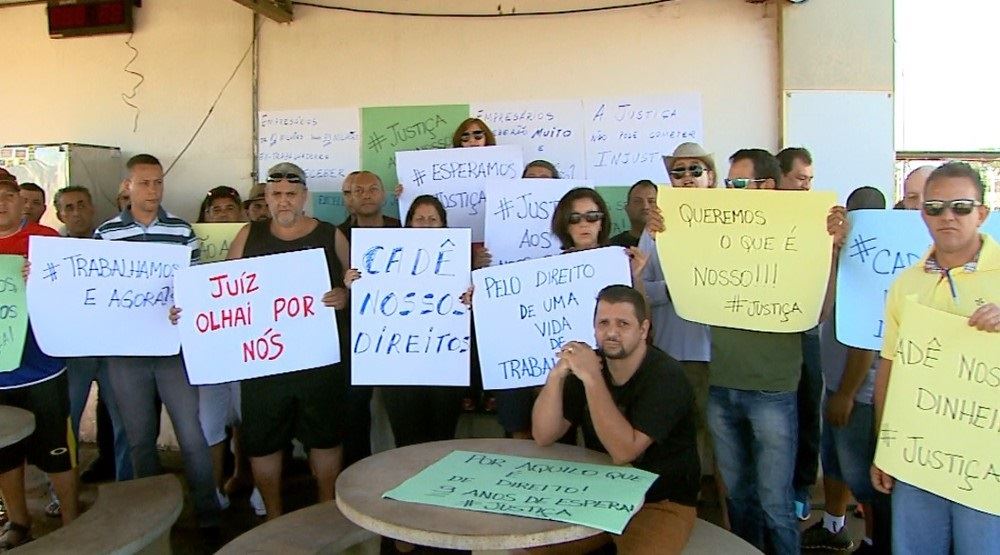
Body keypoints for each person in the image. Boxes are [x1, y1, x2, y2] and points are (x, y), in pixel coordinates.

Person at [708, 148, 846, 554]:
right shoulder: (715, 232)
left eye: (737, 182)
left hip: (772, 389)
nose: (728, 191)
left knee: (775, 504)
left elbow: (818, 311)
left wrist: (832, 253)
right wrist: (668, 231)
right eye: (727, 183)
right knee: (738, 499)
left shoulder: (801, 234)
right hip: (722, 385)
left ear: (766, 186)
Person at [198, 162, 350, 519]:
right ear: (266, 197)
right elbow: (222, 293)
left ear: (304, 197)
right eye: (277, 194)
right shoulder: (247, 236)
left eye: (291, 195)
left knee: (325, 439)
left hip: (319, 361)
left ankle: (326, 511)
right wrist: (190, 310)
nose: (284, 202)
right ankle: (273, 517)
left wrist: (344, 295)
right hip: (265, 364)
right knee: (264, 442)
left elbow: (354, 283)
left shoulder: (330, 235)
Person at [871, 162, 1000, 554]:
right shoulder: (905, 284)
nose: (948, 217)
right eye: (935, 207)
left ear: (983, 212)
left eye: (961, 207)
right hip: (918, 456)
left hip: (986, 464)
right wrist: (885, 448)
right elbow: (890, 368)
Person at [95, 154, 221, 533]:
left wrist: (184, 307)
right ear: (127, 187)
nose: (152, 190)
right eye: (144, 183)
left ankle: (209, 515)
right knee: (139, 440)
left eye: (158, 182)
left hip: (174, 351)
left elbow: (197, 287)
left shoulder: (182, 231)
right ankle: (152, 520)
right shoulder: (105, 234)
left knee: (192, 436)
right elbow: (96, 292)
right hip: (127, 354)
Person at [531, 285, 700, 554]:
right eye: (603, 323)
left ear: (643, 330)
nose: (611, 333)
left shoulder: (667, 377)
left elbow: (624, 451)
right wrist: (556, 377)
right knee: (532, 548)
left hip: (660, 501)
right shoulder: (590, 366)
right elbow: (543, 434)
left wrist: (592, 378)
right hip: (599, 492)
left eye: (623, 324)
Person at [802, 186, 891, 554]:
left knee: (865, 478)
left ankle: (875, 542)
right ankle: (835, 527)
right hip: (835, 382)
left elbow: (867, 340)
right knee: (836, 463)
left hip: (858, 393)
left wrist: (847, 394)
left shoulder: (877, 263)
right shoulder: (844, 258)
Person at [344, 195, 465, 447]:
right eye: (420, 219)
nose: (426, 224)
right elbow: (370, 301)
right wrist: (353, 284)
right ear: (408, 223)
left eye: (433, 219)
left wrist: (471, 297)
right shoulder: (386, 257)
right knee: (407, 440)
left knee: (442, 439)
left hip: (444, 362)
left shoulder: (461, 258)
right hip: (399, 366)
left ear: (443, 224)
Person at [0, 179, 79, 549]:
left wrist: (47, 280)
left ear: (22, 202)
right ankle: (18, 520)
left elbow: (75, 293)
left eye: (8, 196)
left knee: (57, 450)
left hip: (45, 367)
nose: (1, 204)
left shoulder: (47, 240)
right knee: (4, 455)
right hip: (1, 377)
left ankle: (72, 520)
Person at [641, 141, 718, 513]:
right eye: (678, 171)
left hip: (723, 353)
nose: (686, 177)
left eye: (695, 170)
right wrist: (681, 288)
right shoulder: (656, 226)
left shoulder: (735, 218)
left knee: (721, 441)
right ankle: (685, 507)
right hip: (676, 350)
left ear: (711, 177)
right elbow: (643, 289)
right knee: (681, 434)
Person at [54, 186, 134, 485]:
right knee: (68, 421)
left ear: (92, 209)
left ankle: (125, 484)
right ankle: (63, 491)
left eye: (81, 205)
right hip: (74, 352)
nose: (76, 212)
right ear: (60, 214)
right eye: (68, 207)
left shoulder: (112, 242)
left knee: (124, 419)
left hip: (112, 347)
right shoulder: (50, 250)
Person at [773, 146, 823, 520]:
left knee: (807, 407)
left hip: (805, 328)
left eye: (810, 180)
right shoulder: (754, 218)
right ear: (779, 179)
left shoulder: (819, 217)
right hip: (766, 332)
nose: (806, 187)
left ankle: (800, 488)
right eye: (799, 179)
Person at [609, 180, 657, 248]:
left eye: (651, 201)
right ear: (627, 208)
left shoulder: (673, 243)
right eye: (637, 201)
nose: (645, 206)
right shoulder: (612, 246)